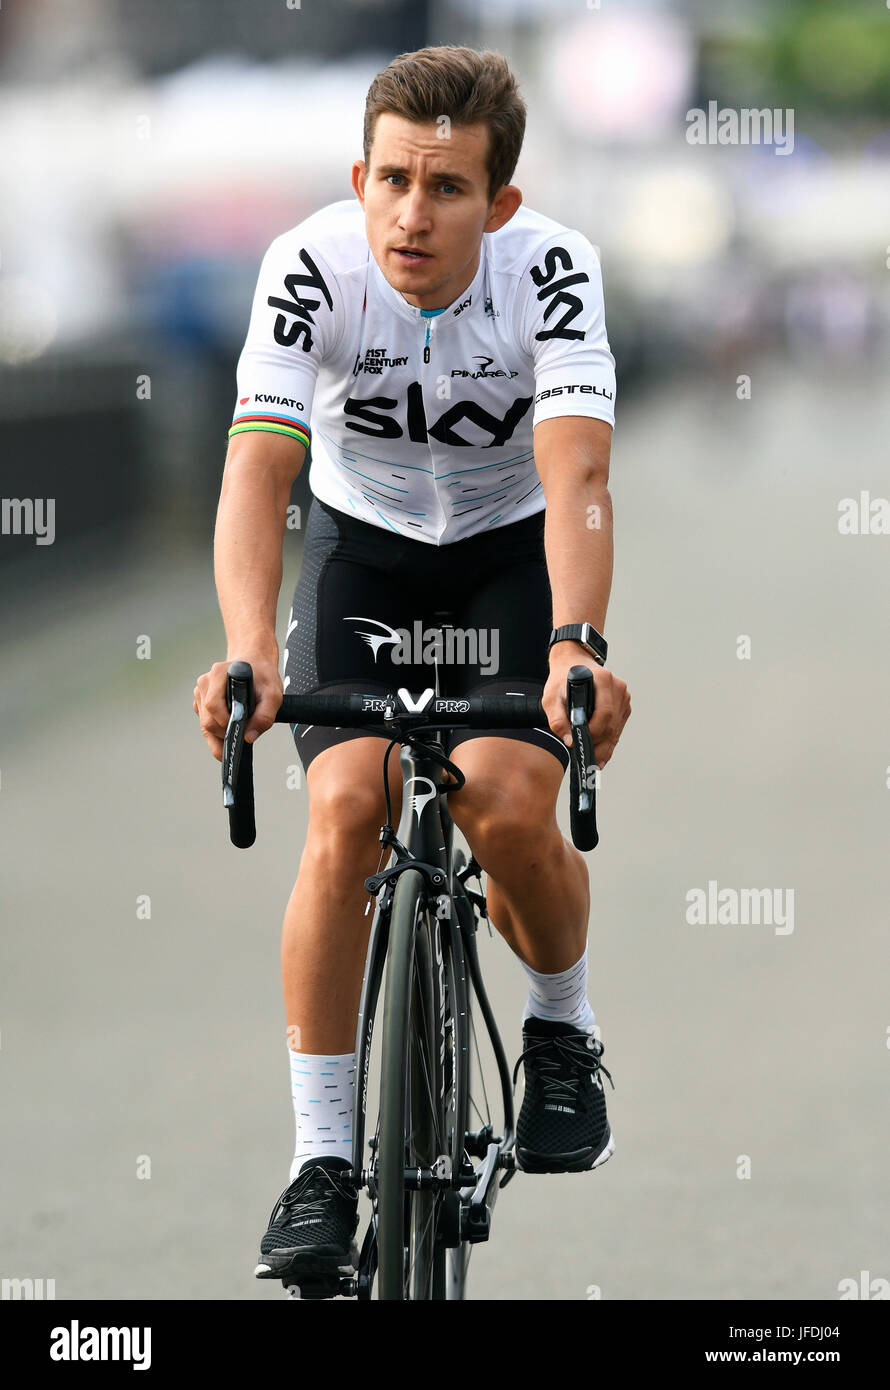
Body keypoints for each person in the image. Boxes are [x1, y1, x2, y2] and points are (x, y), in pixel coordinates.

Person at [194, 44, 631, 1296]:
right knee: (341, 809)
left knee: (502, 803)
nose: (411, 214)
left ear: (497, 203)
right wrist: (241, 647)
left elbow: (577, 478)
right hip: (366, 553)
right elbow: (257, 474)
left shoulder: (552, 269)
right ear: (359, 175)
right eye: (392, 180)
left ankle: (561, 1028)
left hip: (506, 555)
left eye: (446, 189)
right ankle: (324, 1160)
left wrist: (575, 646)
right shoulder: (309, 263)